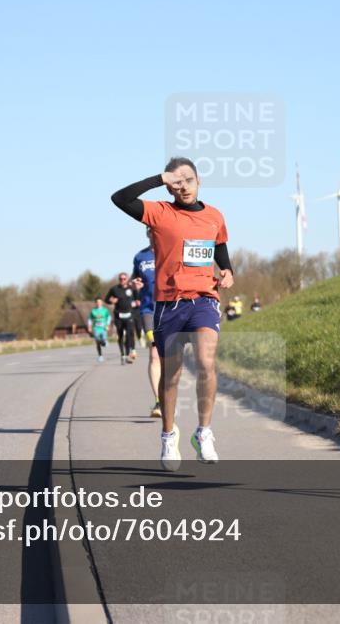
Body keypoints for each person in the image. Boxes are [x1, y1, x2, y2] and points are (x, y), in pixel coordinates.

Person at [111, 157, 234, 470]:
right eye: (177, 183)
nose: (184, 187)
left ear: (199, 181)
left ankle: (204, 433)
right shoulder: (159, 213)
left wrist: (227, 270)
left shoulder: (214, 215)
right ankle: (168, 435)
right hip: (169, 305)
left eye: (189, 180)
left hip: (204, 299)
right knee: (171, 377)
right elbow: (119, 198)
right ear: (170, 187)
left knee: (206, 362)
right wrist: (158, 178)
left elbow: (219, 246)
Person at [131, 227, 161, 418]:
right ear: (147, 233)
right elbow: (135, 278)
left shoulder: (172, 250)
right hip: (148, 310)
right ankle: (159, 401)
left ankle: (168, 395)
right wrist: (136, 284)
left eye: (156, 230)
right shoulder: (140, 257)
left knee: (169, 357)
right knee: (154, 353)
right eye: (150, 230)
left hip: (170, 308)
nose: (153, 233)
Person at [105, 272, 138, 364]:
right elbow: (106, 299)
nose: (122, 280)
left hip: (129, 314)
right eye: (120, 279)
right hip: (118, 315)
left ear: (127, 279)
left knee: (129, 334)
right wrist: (111, 300)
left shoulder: (132, 288)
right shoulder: (114, 289)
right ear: (119, 279)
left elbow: (138, 299)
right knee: (120, 335)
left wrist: (137, 303)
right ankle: (122, 355)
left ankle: (128, 353)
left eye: (124, 279)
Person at [87, 298, 111, 362]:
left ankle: (104, 342)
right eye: (97, 302)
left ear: (102, 303)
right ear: (95, 303)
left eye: (100, 302)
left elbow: (109, 317)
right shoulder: (93, 311)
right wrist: (89, 327)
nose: (99, 303)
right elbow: (90, 319)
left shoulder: (105, 310)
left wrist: (107, 325)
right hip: (96, 328)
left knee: (103, 340)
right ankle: (100, 356)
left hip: (103, 328)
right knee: (97, 342)